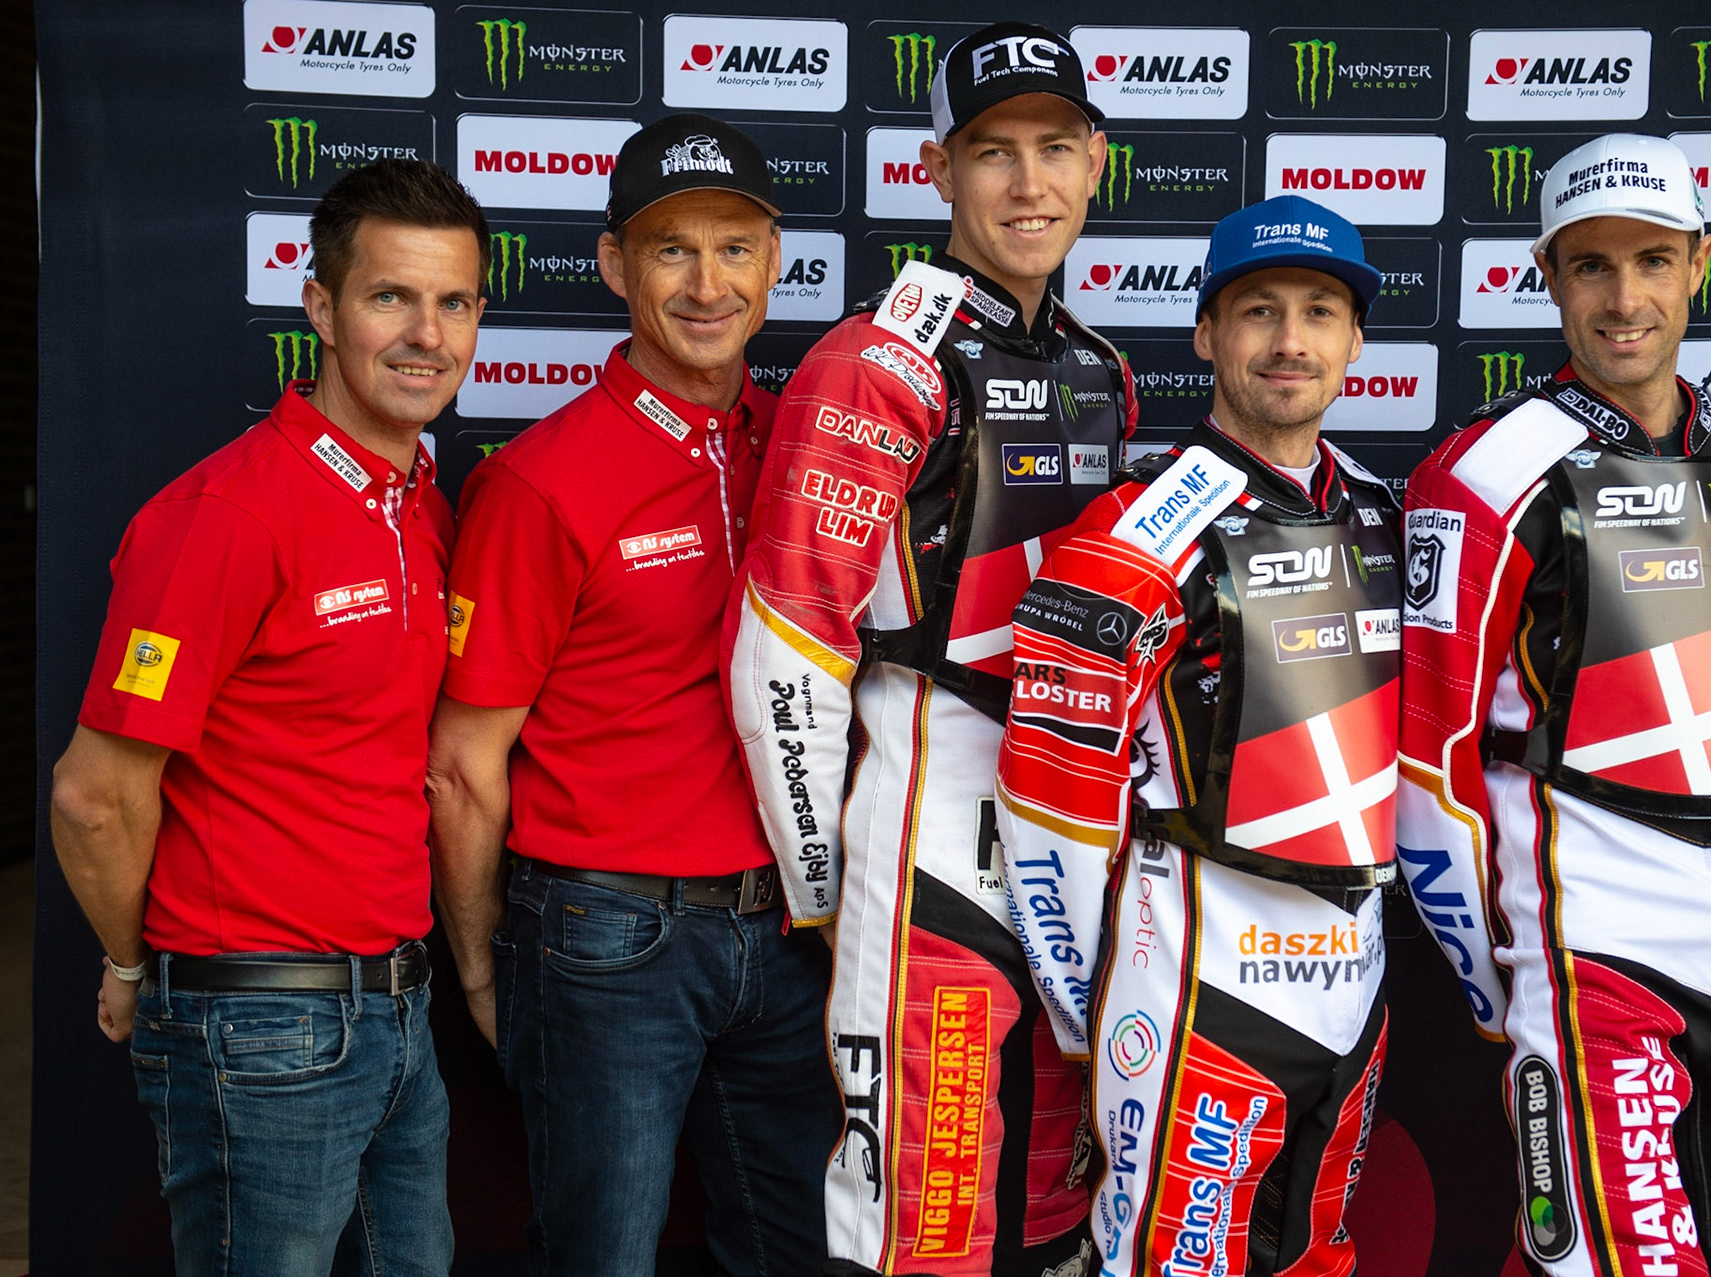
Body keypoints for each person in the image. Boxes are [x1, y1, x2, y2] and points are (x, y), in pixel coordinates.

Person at [723, 22, 1134, 1276]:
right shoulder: (878, 360)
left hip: (1073, 838)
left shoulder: (1098, 364)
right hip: (923, 835)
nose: (1028, 184)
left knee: (1060, 1208)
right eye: (993, 153)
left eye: (1055, 149)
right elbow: (783, 653)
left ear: (1095, 165)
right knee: (919, 1214)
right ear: (936, 169)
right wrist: (820, 890)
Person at [48, 158, 486, 1276]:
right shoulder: (227, 516)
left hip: (396, 1005)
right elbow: (94, 796)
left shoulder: (418, 503)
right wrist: (132, 961)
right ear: (322, 307)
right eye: (391, 296)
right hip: (259, 1025)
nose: (426, 333)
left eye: (455, 301)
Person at [1397, 133, 1711, 1277]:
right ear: (1546, 273)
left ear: (1699, 263)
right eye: (1590, 266)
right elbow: (1426, 766)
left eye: (1650, 260)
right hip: (1594, 958)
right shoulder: (1486, 475)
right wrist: (1502, 978)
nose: (1624, 298)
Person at [426, 115, 839, 1276]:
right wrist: (477, 967)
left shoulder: (814, 450)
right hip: (608, 937)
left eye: (735, 248)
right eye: (671, 251)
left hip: (792, 926)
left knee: (801, 1250)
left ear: (775, 261)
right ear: (614, 265)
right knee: (603, 1254)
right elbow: (464, 763)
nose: (708, 284)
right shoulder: (539, 481)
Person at [996, 194, 1402, 1277]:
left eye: (1320, 312)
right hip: (1196, 979)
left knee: (1321, 1254)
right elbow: (1048, 805)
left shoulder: (1384, 514)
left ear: (1355, 340)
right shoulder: (1135, 528)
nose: (1289, 341)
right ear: (1207, 335)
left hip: (1352, 976)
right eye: (1258, 310)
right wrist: (1090, 1020)